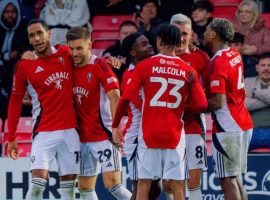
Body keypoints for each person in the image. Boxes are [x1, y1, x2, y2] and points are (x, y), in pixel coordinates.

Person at [112, 24, 208, 200]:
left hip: (149, 133)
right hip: (174, 134)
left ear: (159, 41)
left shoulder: (145, 66)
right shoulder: (188, 70)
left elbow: (125, 98)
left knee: (144, 184)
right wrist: (179, 109)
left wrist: (115, 125)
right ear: (179, 41)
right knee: (177, 185)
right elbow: (202, 103)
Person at [7, 19, 80, 200]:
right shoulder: (25, 66)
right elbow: (15, 101)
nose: (37, 38)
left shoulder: (65, 53)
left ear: (49, 34)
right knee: (37, 186)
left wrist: (109, 61)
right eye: (32, 36)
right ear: (29, 41)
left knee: (69, 191)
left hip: (71, 131)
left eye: (40, 33)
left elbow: (86, 55)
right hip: (43, 132)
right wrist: (11, 137)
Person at [66, 27, 132, 200]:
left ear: (90, 45)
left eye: (79, 48)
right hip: (80, 138)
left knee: (113, 185)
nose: (75, 53)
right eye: (71, 49)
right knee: (85, 188)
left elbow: (115, 97)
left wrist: (116, 127)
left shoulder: (101, 65)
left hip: (104, 136)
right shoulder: (67, 65)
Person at [203, 18, 253, 200]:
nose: (204, 32)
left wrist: (191, 109)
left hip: (228, 126)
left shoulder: (217, 63)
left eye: (207, 29)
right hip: (243, 121)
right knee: (235, 178)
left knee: (227, 180)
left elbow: (217, 102)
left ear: (213, 34)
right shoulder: (233, 53)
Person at [170, 13, 210, 200]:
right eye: (177, 33)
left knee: (194, 181)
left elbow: (211, 93)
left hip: (193, 125)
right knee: (169, 183)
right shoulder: (158, 58)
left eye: (185, 33)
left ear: (192, 34)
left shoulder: (201, 58)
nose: (181, 38)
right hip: (167, 128)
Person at [121, 32, 161, 200]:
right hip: (137, 137)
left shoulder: (152, 68)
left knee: (154, 189)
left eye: (149, 42)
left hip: (151, 134)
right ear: (133, 53)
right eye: (144, 44)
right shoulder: (130, 76)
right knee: (140, 188)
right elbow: (145, 107)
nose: (150, 45)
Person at [0, 0, 30, 122]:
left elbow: (27, 50)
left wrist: (17, 53)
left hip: (15, 67)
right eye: (7, 12)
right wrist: (5, 55)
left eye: (13, 12)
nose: (10, 15)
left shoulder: (24, 28)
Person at [232, 0, 270, 77]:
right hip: (236, 61)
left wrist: (256, 50)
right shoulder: (231, 28)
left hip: (257, 62)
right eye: (241, 11)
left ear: (254, 14)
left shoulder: (263, 29)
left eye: (247, 12)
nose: (243, 14)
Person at [244, 52, 270, 149]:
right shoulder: (247, 82)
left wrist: (255, 92)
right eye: (263, 65)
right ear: (257, 67)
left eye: (269, 65)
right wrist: (267, 100)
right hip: (252, 131)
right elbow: (244, 104)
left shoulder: (252, 88)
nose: (266, 68)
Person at [103, 20, 138, 84]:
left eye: (132, 34)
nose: (128, 36)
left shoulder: (144, 51)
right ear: (119, 36)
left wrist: (122, 62)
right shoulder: (111, 51)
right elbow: (104, 66)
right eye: (125, 33)